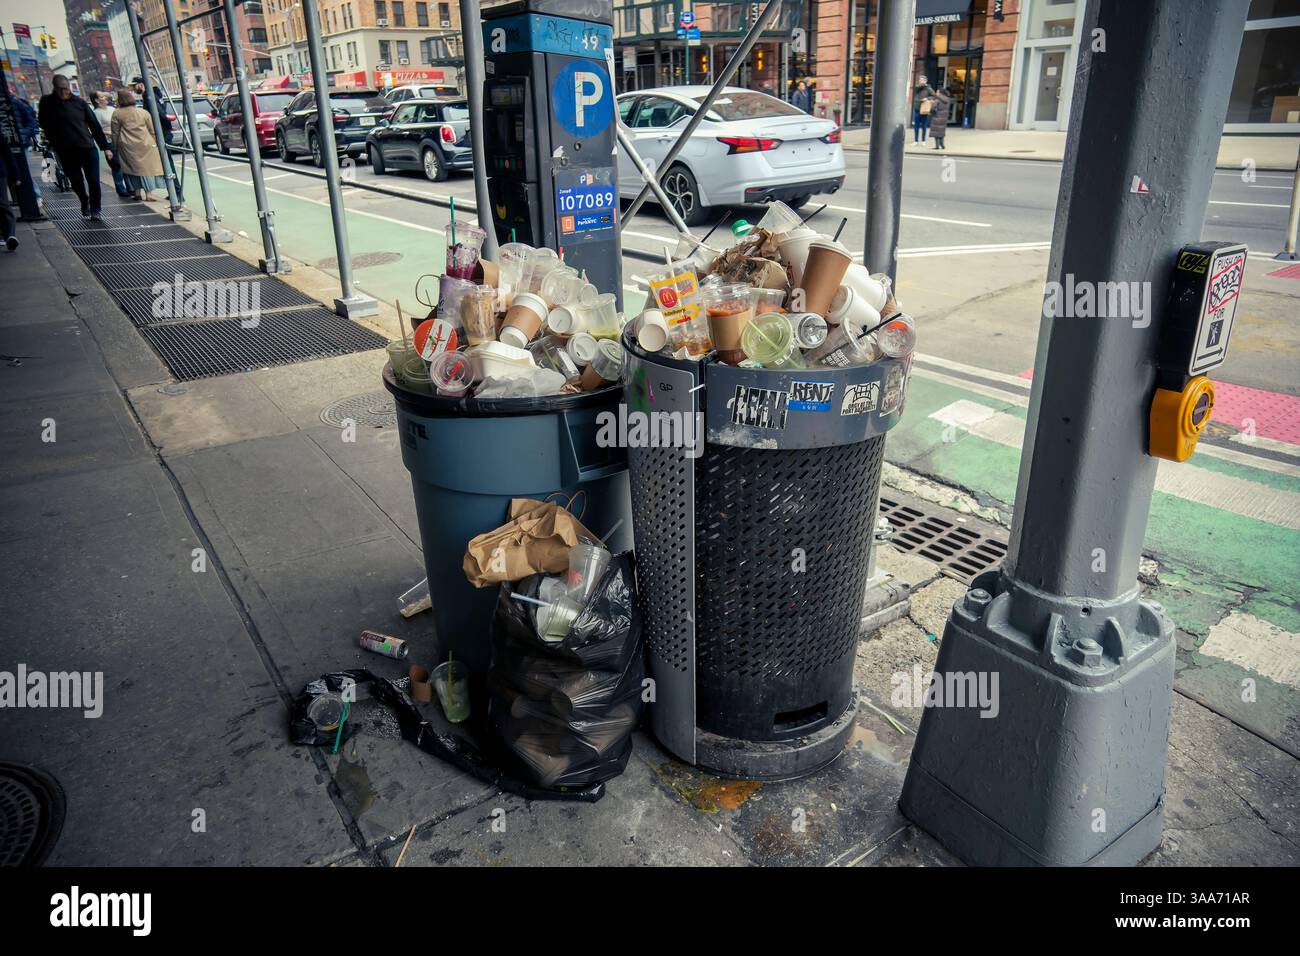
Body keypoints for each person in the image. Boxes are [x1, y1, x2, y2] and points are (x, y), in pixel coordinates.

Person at [38, 76, 111, 219]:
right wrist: (53, 137)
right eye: (59, 89)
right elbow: (42, 122)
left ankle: (96, 210)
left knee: (93, 180)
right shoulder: (47, 102)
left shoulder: (79, 102)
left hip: (86, 147)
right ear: (54, 87)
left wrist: (105, 147)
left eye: (65, 88)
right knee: (76, 181)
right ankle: (84, 200)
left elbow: (94, 125)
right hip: (65, 150)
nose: (63, 92)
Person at [111, 88, 166, 202]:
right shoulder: (143, 112)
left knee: (132, 169)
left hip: (127, 145)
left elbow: (115, 132)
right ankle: (149, 194)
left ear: (120, 100)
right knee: (146, 169)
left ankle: (137, 193)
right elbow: (152, 130)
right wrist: (154, 142)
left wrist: (115, 147)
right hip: (146, 144)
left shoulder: (117, 113)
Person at [93, 91, 132, 197]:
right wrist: (109, 133)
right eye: (101, 96)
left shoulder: (112, 109)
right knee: (116, 165)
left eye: (105, 96)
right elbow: (97, 130)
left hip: (120, 139)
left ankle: (130, 188)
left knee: (125, 164)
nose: (105, 98)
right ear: (97, 100)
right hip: (109, 141)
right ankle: (121, 189)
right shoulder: (97, 113)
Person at [912, 75, 935, 145]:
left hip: (924, 109)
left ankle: (923, 140)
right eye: (920, 80)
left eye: (922, 80)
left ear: (925, 81)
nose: (921, 81)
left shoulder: (928, 88)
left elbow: (933, 96)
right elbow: (915, 91)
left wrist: (927, 99)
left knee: (924, 126)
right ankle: (915, 140)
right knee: (916, 125)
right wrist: (921, 86)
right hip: (917, 108)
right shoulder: (917, 87)